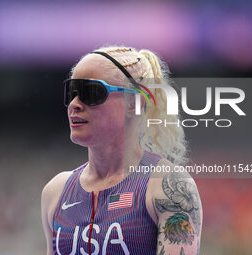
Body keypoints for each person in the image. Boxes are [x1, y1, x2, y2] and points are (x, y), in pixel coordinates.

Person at [41, 46, 202, 255]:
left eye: (91, 93)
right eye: (71, 92)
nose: (74, 104)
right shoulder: (56, 192)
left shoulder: (167, 186)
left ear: (133, 103)